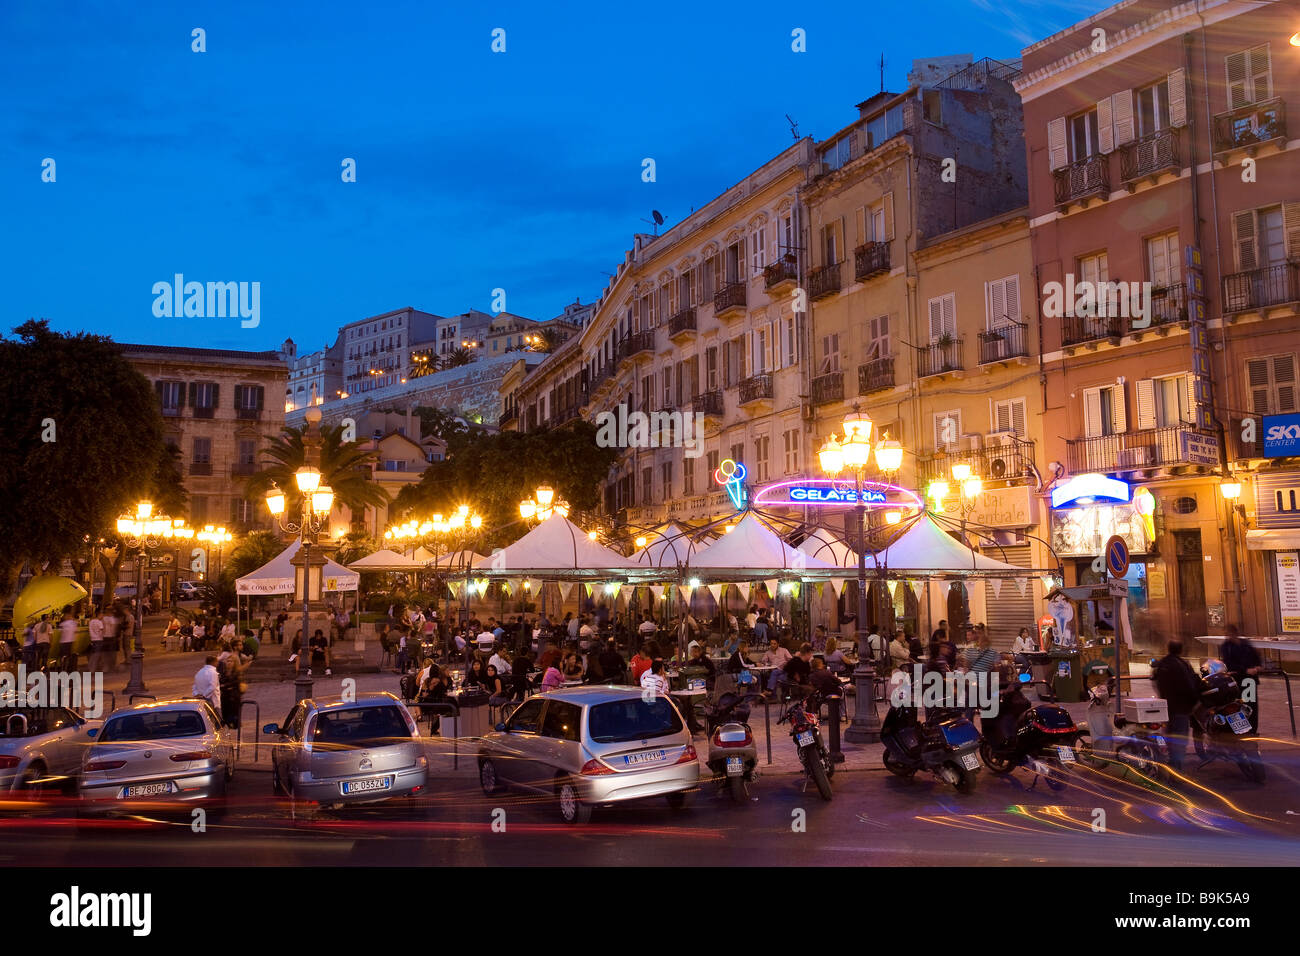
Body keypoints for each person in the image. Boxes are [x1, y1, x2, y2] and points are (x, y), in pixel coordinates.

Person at [1152, 638, 1204, 771]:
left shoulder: (1162, 664)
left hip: (1167, 708)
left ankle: (1171, 767)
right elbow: (1191, 685)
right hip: (1181, 709)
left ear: (1168, 648)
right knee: (1180, 742)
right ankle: (1176, 770)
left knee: (1170, 738)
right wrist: (1194, 704)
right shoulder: (1183, 665)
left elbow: (1156, 683)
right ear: (1181, 650)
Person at [1220, 624, 1262, 734]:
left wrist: (1257, 666)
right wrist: (1245, 670)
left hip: (1249, 679)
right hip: (1237, 679)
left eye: (1229, 633)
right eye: (1226, 634)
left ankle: (1252, 730)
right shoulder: (1226, 646)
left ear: (1234, 633)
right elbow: (1229, 663)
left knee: (1251, 704)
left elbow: (1256, 656)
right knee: (1236, 704)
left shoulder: (1245, 644)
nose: (1228, 636)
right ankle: (1240, 729)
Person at [218, 641, 244, 728]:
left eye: (231, 661)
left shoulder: (236, 673)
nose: (229, 663)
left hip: (234, 698)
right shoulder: (223, 673)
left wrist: (225, 686)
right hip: (225, 698)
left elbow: (236, 683)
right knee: (226, 717)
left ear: (234, 663)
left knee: (235, 718)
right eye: (227, 661)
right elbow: (221, 683)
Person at [193, 656, 222, 721]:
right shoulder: (213, 673)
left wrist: (197, 694)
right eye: (217, 662)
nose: (218, 663)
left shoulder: (199, 672)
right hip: (213, 702)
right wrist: (204, 695)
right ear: (214, 662)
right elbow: (213, 687)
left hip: (201, 701)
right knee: (217, 720)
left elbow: (194, 686)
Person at [57, 607, 78, 671]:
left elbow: (59, 630)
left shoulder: (63, 623)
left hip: (64, 642)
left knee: (63, 656)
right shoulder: (73, 623)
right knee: (68, 656)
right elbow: (75, 632)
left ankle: (63, 669)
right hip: (69, 641)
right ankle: (67, 669)